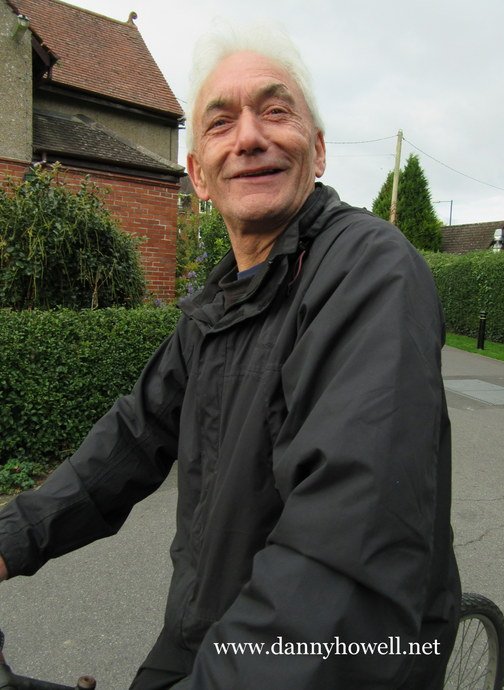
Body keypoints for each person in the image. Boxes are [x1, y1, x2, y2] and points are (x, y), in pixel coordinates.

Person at [0, 22, 461, 689]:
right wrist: (12, 536)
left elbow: (347, 551)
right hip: (204, 626)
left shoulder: (369, 270)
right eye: (220, 123)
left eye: (275, 111)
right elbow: (131, 438)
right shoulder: (216, 305)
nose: (248, 137)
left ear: (318, 150)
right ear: (199, 175)